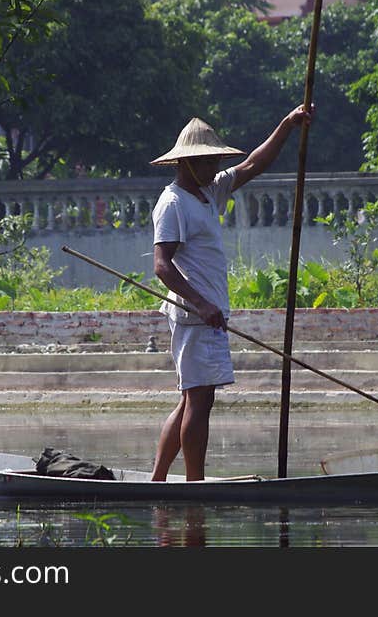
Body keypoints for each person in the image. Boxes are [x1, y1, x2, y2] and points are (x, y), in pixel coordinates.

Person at [149, 104, 314, 481]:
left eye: (216, 162)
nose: (213, 168)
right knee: (201, 399)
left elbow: (254, 164)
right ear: (186, 163)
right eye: (207, 162)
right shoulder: (173, 202)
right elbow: (162, 265)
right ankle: (194, 483)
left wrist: (287, 123)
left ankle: (159, 480)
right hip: (195, 316)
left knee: (191, 397)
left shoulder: (208, 192)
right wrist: (203, 304)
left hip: (208, 316)